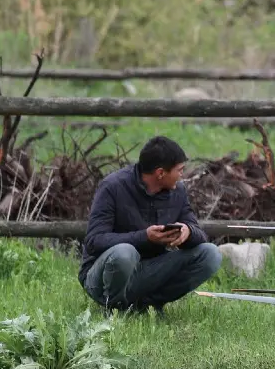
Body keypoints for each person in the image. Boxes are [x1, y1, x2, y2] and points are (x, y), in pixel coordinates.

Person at [80, 135, 222, 316]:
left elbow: (200, 234)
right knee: (125, 252)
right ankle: (115, 308)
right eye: (179, 170)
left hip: (150, 272)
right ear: (160, 173)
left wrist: (187, 232)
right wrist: (144, 237)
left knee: (210, 254)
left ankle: (147, 305)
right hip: (102, 277)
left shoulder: (178, 191)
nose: (182, 175)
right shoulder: (112, 187)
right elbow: (94, 241)